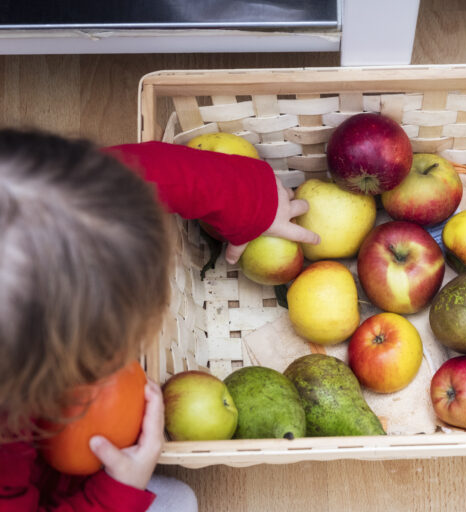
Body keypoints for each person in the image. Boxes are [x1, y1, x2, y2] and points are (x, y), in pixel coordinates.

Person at [0, 129, 319, 511]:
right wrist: (114, 493)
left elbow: (152, 173)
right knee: (177, 503)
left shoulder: (48, 200)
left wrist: (253, 199)